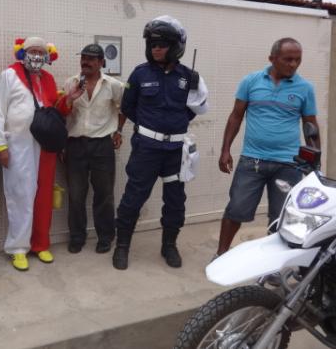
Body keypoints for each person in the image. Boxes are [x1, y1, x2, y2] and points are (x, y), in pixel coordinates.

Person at [113, 15, 208, 270]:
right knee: (133, 197)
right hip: (146, 149)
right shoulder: (140, 73)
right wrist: (150, 127)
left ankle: (169, 246)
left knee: (175, 200)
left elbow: (195, 109)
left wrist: (173, 126)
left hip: (176, 152)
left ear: (176, 46)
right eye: (153, 43)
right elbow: (128, 107)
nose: (156, 48)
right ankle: (122, 246)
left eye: (162, 44)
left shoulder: (189, 77)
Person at [216, 37, 319, 256]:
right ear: (272, 59)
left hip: (289, 165)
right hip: (252, 161)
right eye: (288, 59)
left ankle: (274, 264)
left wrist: (314, 163)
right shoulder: (251, 82)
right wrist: (225, 150)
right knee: (236, 210)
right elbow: (235, 116)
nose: (293, 64)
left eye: (297, 60)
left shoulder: (305, 88)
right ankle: (220, 254)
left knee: (281, 217)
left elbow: (310, 124)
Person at [0, 37, 80, 271]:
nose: (37, 56)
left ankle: (40, 244)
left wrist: (68, 99)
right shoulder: (9, 76)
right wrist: (0, 146)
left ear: (48, 55)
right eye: (33, 51)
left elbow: (54, 110)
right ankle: (18, 248)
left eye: (41, 52)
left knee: (43, 197)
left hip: (45, 147)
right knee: (20, 195)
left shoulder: (48, 79)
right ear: (22, 53)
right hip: (17, 147)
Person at [64, 43, 125, 254]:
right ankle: (77, 237)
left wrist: (119, 131)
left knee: (104, 194)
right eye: (83, 57)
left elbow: (122, 108)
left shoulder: (113, 85)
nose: (85, 62)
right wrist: (70, 97)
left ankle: (106, 237)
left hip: (102, 145)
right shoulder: (71, 83)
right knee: (75, 195)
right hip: (75, 145)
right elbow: (64, 112)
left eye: (91, 59)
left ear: (101, 63)